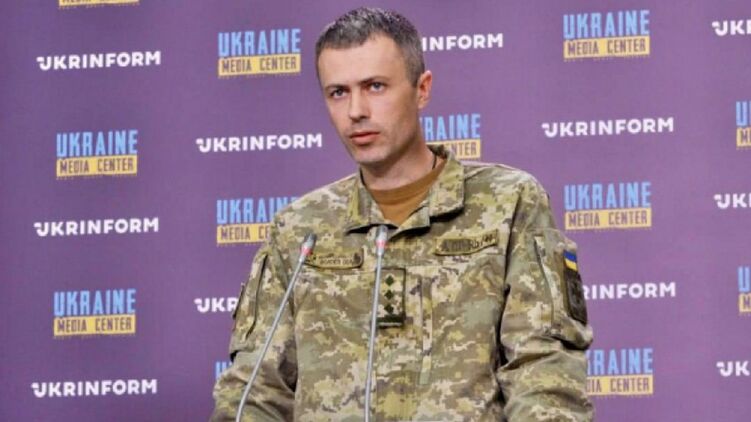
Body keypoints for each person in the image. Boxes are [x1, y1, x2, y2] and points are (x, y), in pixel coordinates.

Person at [212, 7, 593, 421]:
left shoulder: (507, 203)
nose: (356, 110)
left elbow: (544, 374)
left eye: (375, 86)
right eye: (338, 92)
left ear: (422, 89)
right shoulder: (300, 230)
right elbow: (255, 391)